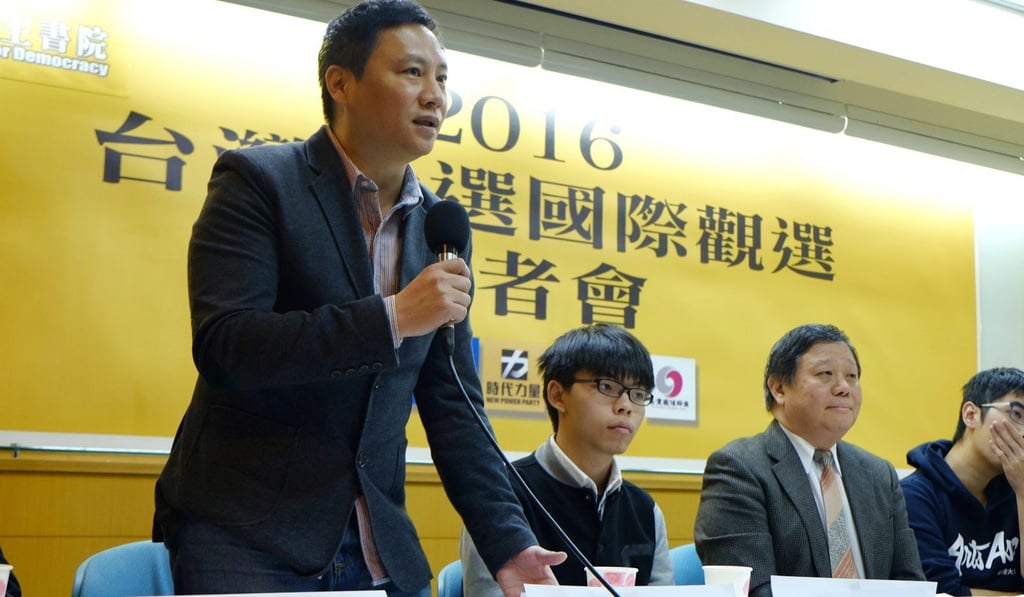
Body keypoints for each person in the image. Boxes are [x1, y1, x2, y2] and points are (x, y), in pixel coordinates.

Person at [152, 1, 564, 595]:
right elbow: (227, 346)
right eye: (412, 73)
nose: (435, 96)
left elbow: (454, 407)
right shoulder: (259, 181)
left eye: (443, 78)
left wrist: (508, 540)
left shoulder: (438, 227)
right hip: (247, 531)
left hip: (379, 542)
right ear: (340, 82)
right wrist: (394, 316)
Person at [694, 323, 924, 597]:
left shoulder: (879, 474)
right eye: (825, 374)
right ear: (779, 388)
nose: (843, 388)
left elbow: (910, 584)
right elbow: (752, 591)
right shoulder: (739, 468)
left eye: (852, 376)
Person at [459, 323, 675, 594]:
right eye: (607, 386)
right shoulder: (500, 497)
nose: (626, 406)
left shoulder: (646, 511)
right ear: (558, 395)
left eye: (639, 394)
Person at [901, 367, 1024, 596]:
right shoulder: (914, 496)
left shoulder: (1016, 487)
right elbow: (944, 592)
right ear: (970, 415)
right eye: (1016, 414)